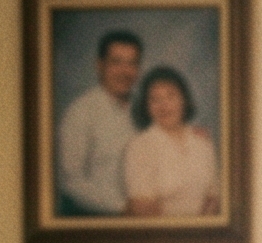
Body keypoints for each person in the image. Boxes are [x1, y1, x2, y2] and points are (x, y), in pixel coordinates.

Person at [57, 29, 142, 215]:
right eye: (116, 62)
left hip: (144, 222)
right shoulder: (80, 113)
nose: (125, 71)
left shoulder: (146, 108)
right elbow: (71, 181)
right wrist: (122, 207)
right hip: (97, 223)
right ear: (99, 65)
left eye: (132, 63)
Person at [124, 66, 221, 217]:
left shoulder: (202, 141)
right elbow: (142, 207)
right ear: (146, 106)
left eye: (171, 96)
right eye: (155, 99)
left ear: (184, 99)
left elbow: (214, 196)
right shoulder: (139, 146)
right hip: (163, 235)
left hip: (203, 232)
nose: (164, 106)